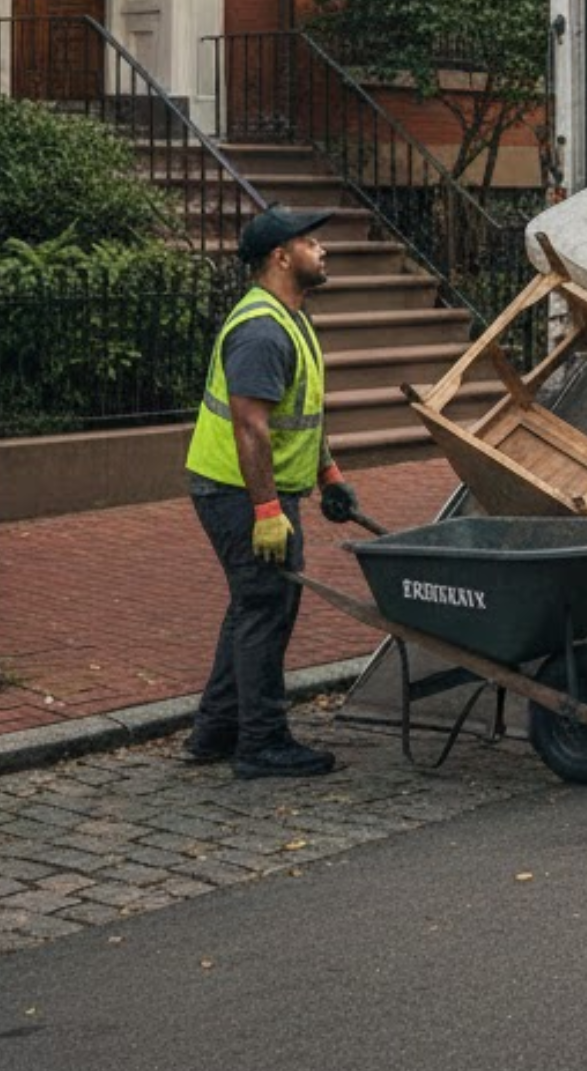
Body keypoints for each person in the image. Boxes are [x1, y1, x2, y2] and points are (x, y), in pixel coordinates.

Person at [180, 205, 361, 777]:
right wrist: (264, 510)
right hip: (238, 490)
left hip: (258, 488)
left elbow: (299, 413)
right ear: (282, 257)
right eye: (312, 243)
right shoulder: (262, 330)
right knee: (266, 607)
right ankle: (261, 743)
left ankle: (216, 731)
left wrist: (328, 476)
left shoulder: (292, 318)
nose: (322, 251)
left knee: (252, 604)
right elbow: (251, 426)